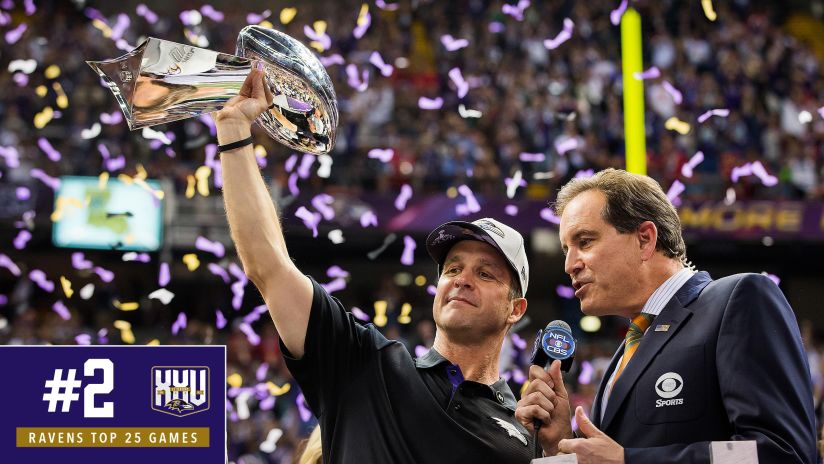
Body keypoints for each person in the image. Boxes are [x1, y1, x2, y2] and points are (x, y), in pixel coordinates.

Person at [214, 67, 534, 462]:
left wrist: (553, 447)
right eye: (452, 269)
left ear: (515, 309)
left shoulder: (524, 433)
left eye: (485, 273)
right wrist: (234, 130)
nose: (462, 279)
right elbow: (269, 265)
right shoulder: (365, 366)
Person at [515, 168, 816, 463]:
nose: (569, 265)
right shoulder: (624, 356)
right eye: (566, 249)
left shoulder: (739, 299)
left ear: (645, 239)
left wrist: (629, 461)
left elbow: (781, 452)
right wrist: (562, 445)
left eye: (585, 242)